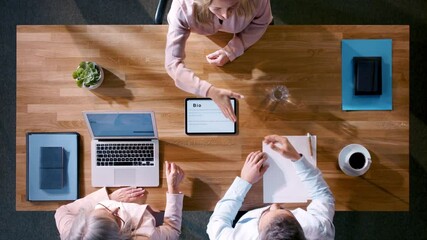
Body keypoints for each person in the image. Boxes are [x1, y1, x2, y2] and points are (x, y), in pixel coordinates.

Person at [206, 135, 335, 240]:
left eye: (267, 213)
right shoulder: (319, 231)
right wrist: (297, 159)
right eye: (284, 210)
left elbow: (217, 221)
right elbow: (322, 196)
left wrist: (244, 181)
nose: (274, 204)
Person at [165, 0, 273, 122]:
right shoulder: (181, 8)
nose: (226, 15)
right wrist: (209, 91)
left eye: (232, 7)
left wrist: (233, 49)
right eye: (217, 8)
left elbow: (261, 23)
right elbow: (172, 64)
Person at [54, 161, 185, 240]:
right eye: (115, 218)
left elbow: (61, 211)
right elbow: (172, 231)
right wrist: (173, 188)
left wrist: (110, 198)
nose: (116, 208)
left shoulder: (72, 232)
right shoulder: (145, 237)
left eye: (103, 210)